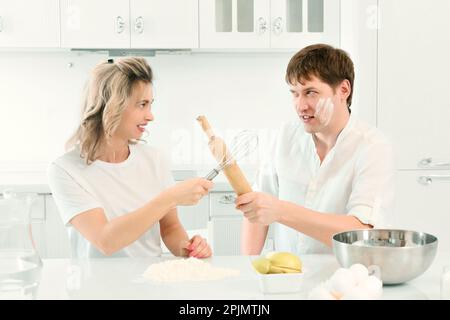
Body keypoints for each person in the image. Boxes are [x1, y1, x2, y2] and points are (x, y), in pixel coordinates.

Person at [48, 57, 213, 259]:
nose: (150, 116)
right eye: (142, 105)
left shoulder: (154, 159)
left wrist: (188, 249)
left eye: (150, 105)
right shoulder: (65, 170)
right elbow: (106, 241)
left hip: (151, 283)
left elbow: (170, 228)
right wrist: (171, 197)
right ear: (111, 106)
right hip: (94, 288)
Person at [237, 44, 395, 254]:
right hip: (288, 277)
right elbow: (257, 212)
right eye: (295, 93)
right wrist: (250, 265)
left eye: (310, 92)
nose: (300, 106)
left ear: (343, 90)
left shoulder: (372, 147)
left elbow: (361, 232)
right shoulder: (285, 137)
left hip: (345, 279)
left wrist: (280, 211)